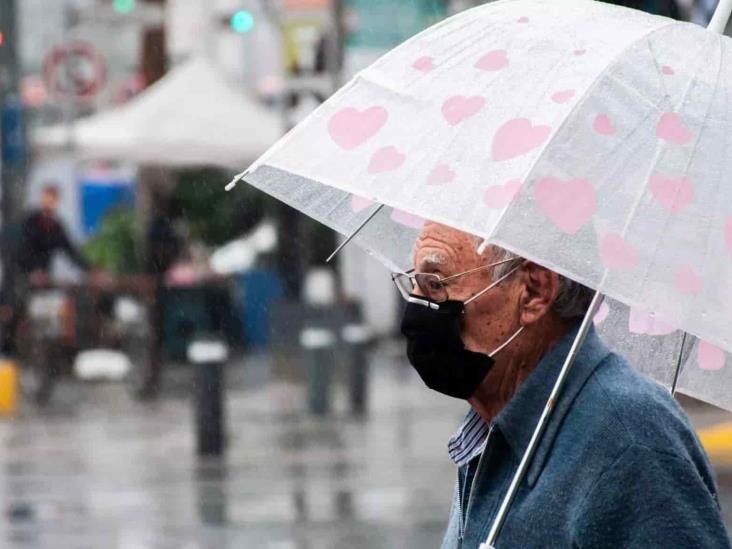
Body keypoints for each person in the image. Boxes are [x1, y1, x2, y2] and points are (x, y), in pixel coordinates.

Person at [394, 222, 730, 548]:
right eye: (414, 283)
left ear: (533, 292)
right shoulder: (492, 421)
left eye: (436, 283)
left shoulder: (630, 440)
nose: (415, 305)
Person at [1, 184, 91, 355]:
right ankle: (8, 351)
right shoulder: (28, 224)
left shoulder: (56, 227)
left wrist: (90, 270)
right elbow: (16, 252)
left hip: (42, 282)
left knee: (67, 306)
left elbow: (70, 251)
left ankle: (63, 351)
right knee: (13, 309)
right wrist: (31, 272)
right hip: (19, 278)